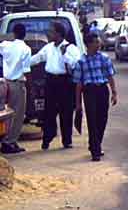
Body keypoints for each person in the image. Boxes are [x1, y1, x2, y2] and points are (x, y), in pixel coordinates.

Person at [30, 22, 81, 150]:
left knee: (66, 112)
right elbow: (37, 58)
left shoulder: (70, 48)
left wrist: (65, 54)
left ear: (58, 34)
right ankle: (48, 137)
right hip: (51, 82)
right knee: (49, 112)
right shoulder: (49, 47)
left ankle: (67, 140)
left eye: (51, 31)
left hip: (65, 82)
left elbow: (76, 64)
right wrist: (21, 62)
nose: (49, 33)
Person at [73, 33, 117, 162]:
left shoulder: (104, 58)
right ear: (89, 44)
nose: (99, 44)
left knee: (102, 119)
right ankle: (95, 151)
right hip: (89, 91)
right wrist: (78, 104)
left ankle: (95, 144)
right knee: (92, 120)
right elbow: (78, 85)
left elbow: (110, 76)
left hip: (102, 90)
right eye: (96, 42)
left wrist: (114, 92)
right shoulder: (81, 62)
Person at [0, 24, 32, 154]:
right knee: (17, 114)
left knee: (5, 114)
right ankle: (9, 141)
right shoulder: (26, 49)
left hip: (5, 84)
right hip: (17, 84)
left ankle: (6, 139)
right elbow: (26, 71)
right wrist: (30, 88)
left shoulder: (5, 45)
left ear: (13, 33)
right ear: (25, 34)